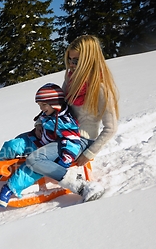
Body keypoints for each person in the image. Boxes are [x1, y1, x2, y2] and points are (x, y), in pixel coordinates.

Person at [26, 35, 119, 201]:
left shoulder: (101, 89)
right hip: (63, 131)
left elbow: (111, 128)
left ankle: (82, 186)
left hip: (81, 140)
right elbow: (58, 105)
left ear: (88, 60)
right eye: (70, 59)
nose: (71, 64)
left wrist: (90, 153)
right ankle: (9, 173)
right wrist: (40, 122)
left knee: (35, 158)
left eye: (76, 61)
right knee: (26, 141)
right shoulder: (70, 79)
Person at [0, 83, 81, 207]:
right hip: (36, 140)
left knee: (31, 167)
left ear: (54, 102)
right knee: (12, 145)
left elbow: (73, 141)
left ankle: (10, 188)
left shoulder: (65, 121)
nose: (41, 108)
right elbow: (41, 118)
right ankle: (0, 168)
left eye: (43, 105)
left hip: (47, 152)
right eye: (39, 105)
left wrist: (65, 161)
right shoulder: (50, 111)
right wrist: (39, 125)